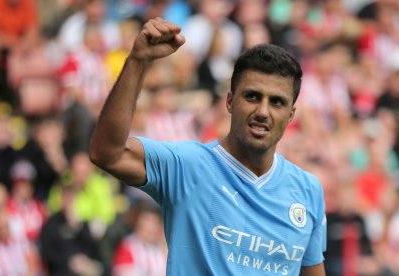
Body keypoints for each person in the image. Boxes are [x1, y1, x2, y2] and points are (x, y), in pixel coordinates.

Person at [90, 17, 327, 275]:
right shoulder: (186, 166)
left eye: (277, 102)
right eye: (252, 96)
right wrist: (137, 61)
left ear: (291, 116)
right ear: (229, 101)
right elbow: (107, 154)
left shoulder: (308, 190)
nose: (262, 111)